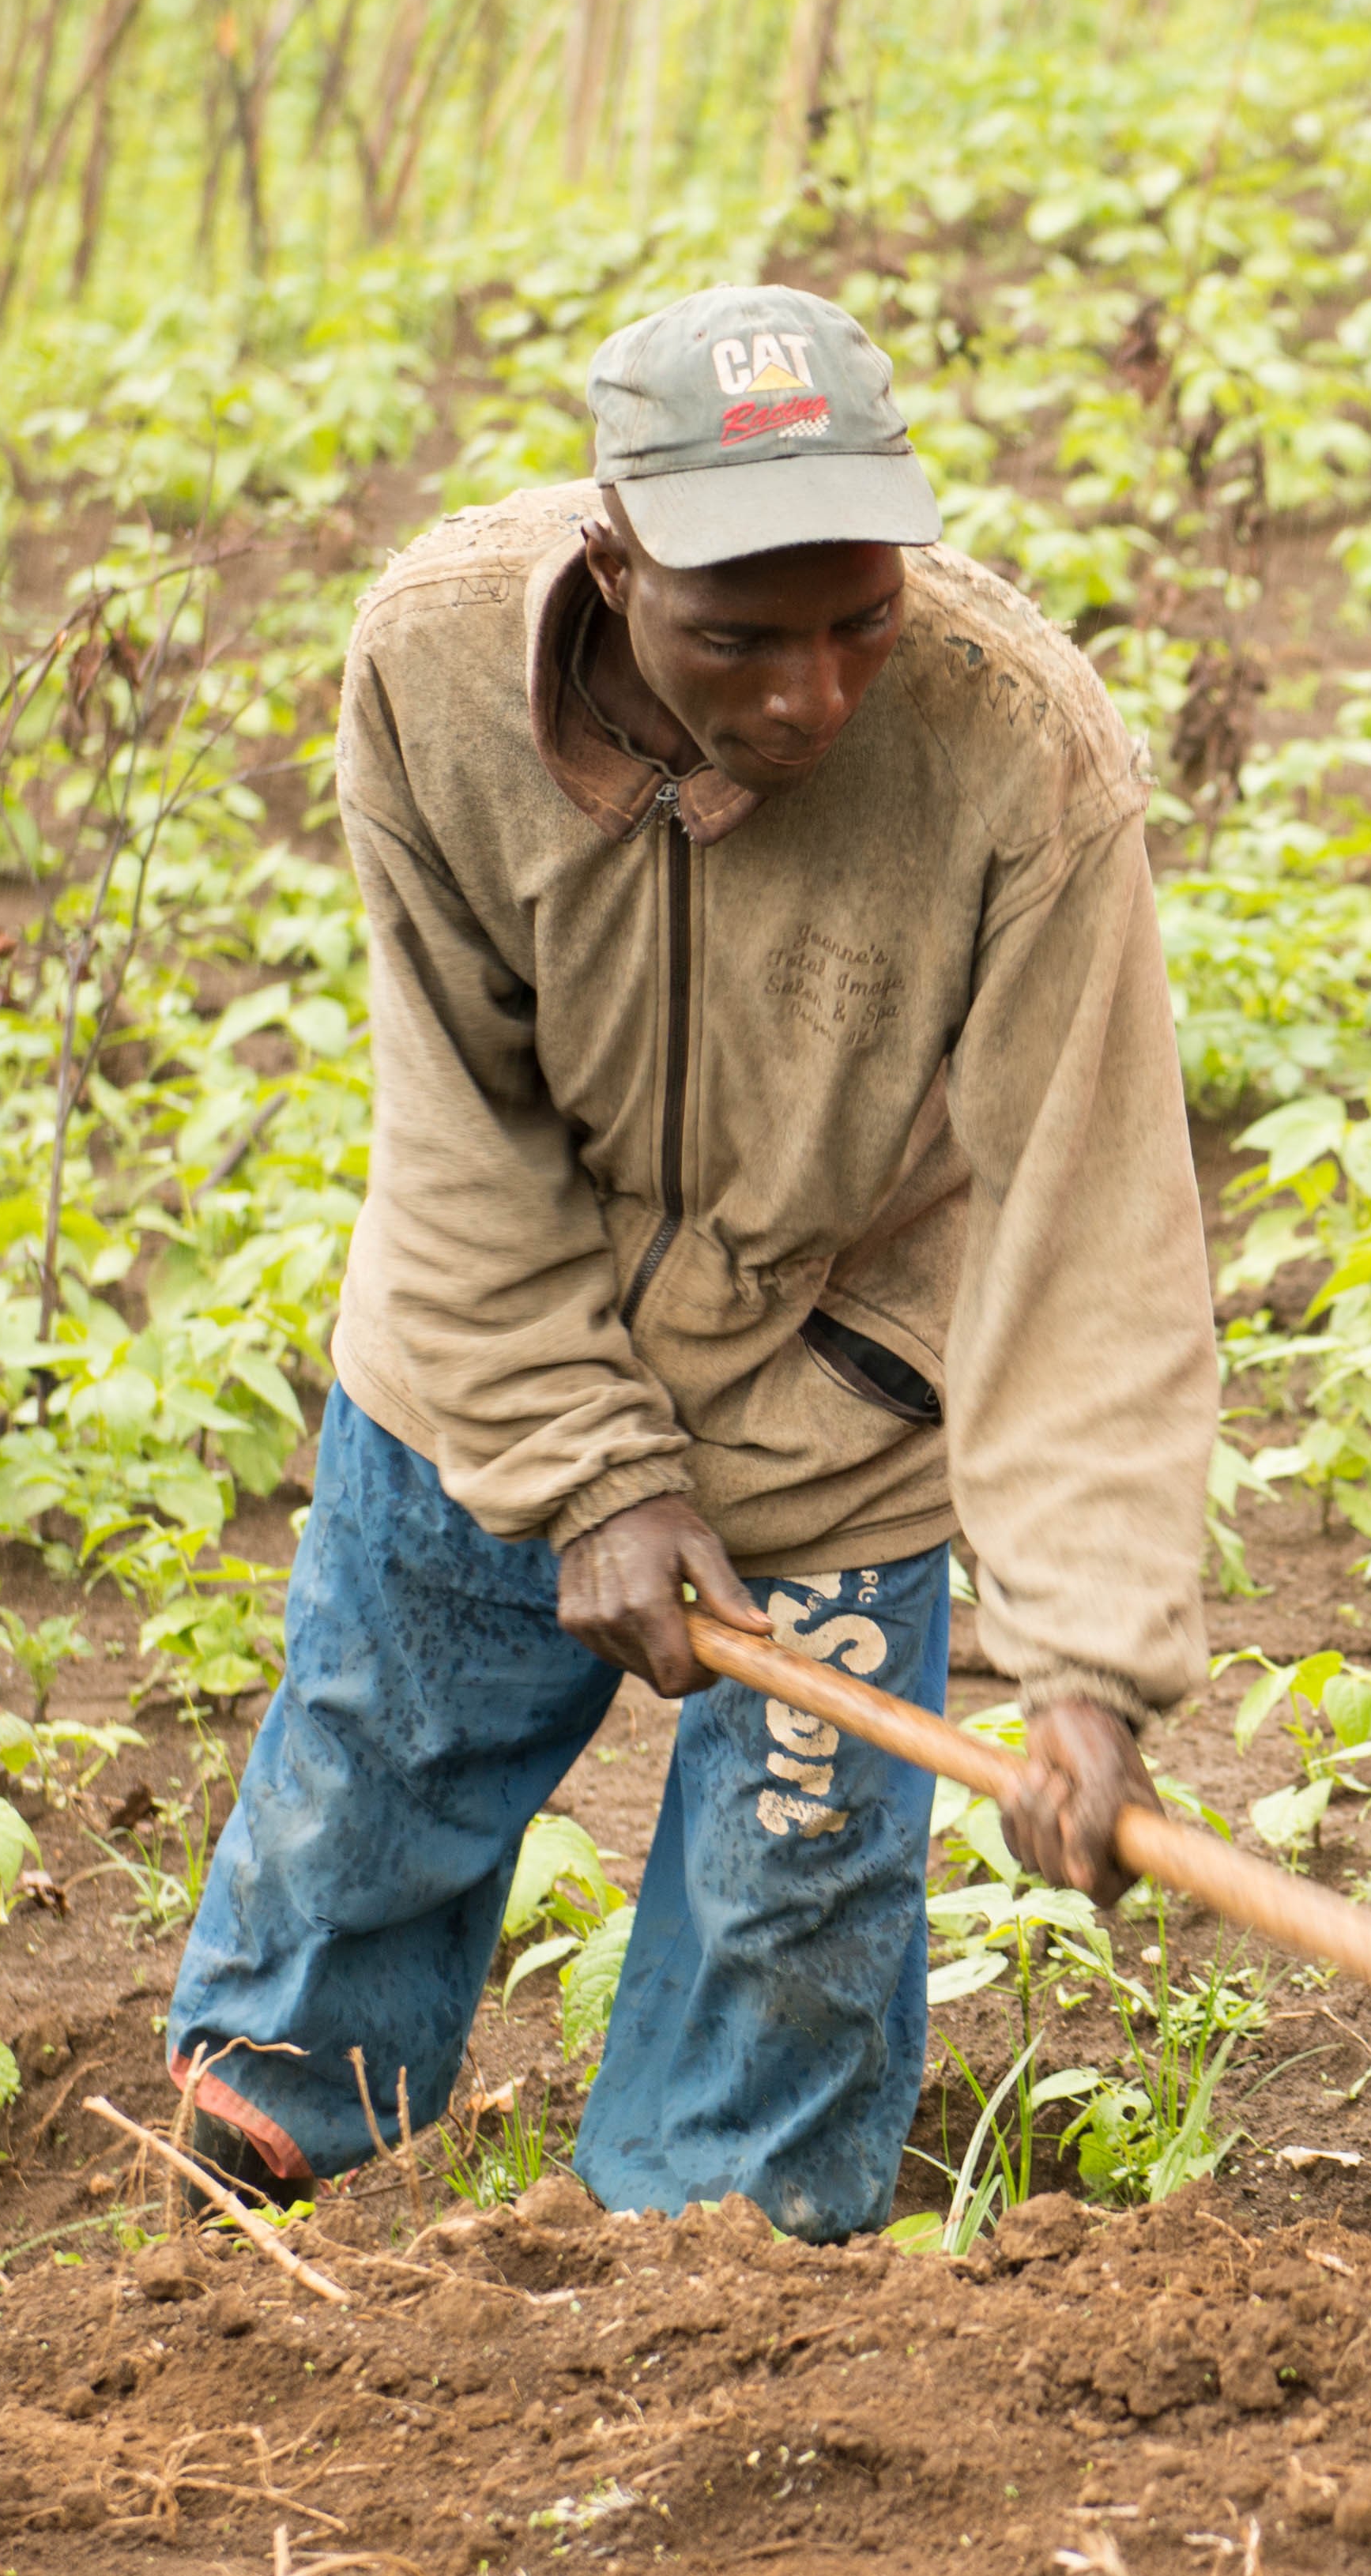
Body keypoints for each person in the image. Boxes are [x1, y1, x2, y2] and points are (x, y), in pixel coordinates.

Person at [162, 283, 1218, 2235]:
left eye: (858, 624)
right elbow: (456, 1125)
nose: (810, 694)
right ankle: (251, 2191)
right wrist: (588, 1472)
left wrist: (1086, 1663)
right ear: (614, 555)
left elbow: (1087, 1229)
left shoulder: (1015, 754)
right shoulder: (436, 663)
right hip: (485, 1362)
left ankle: (706, 2285)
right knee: (374, 1780)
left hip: (843, 1388)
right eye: (738, 635)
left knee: (787, 1910)